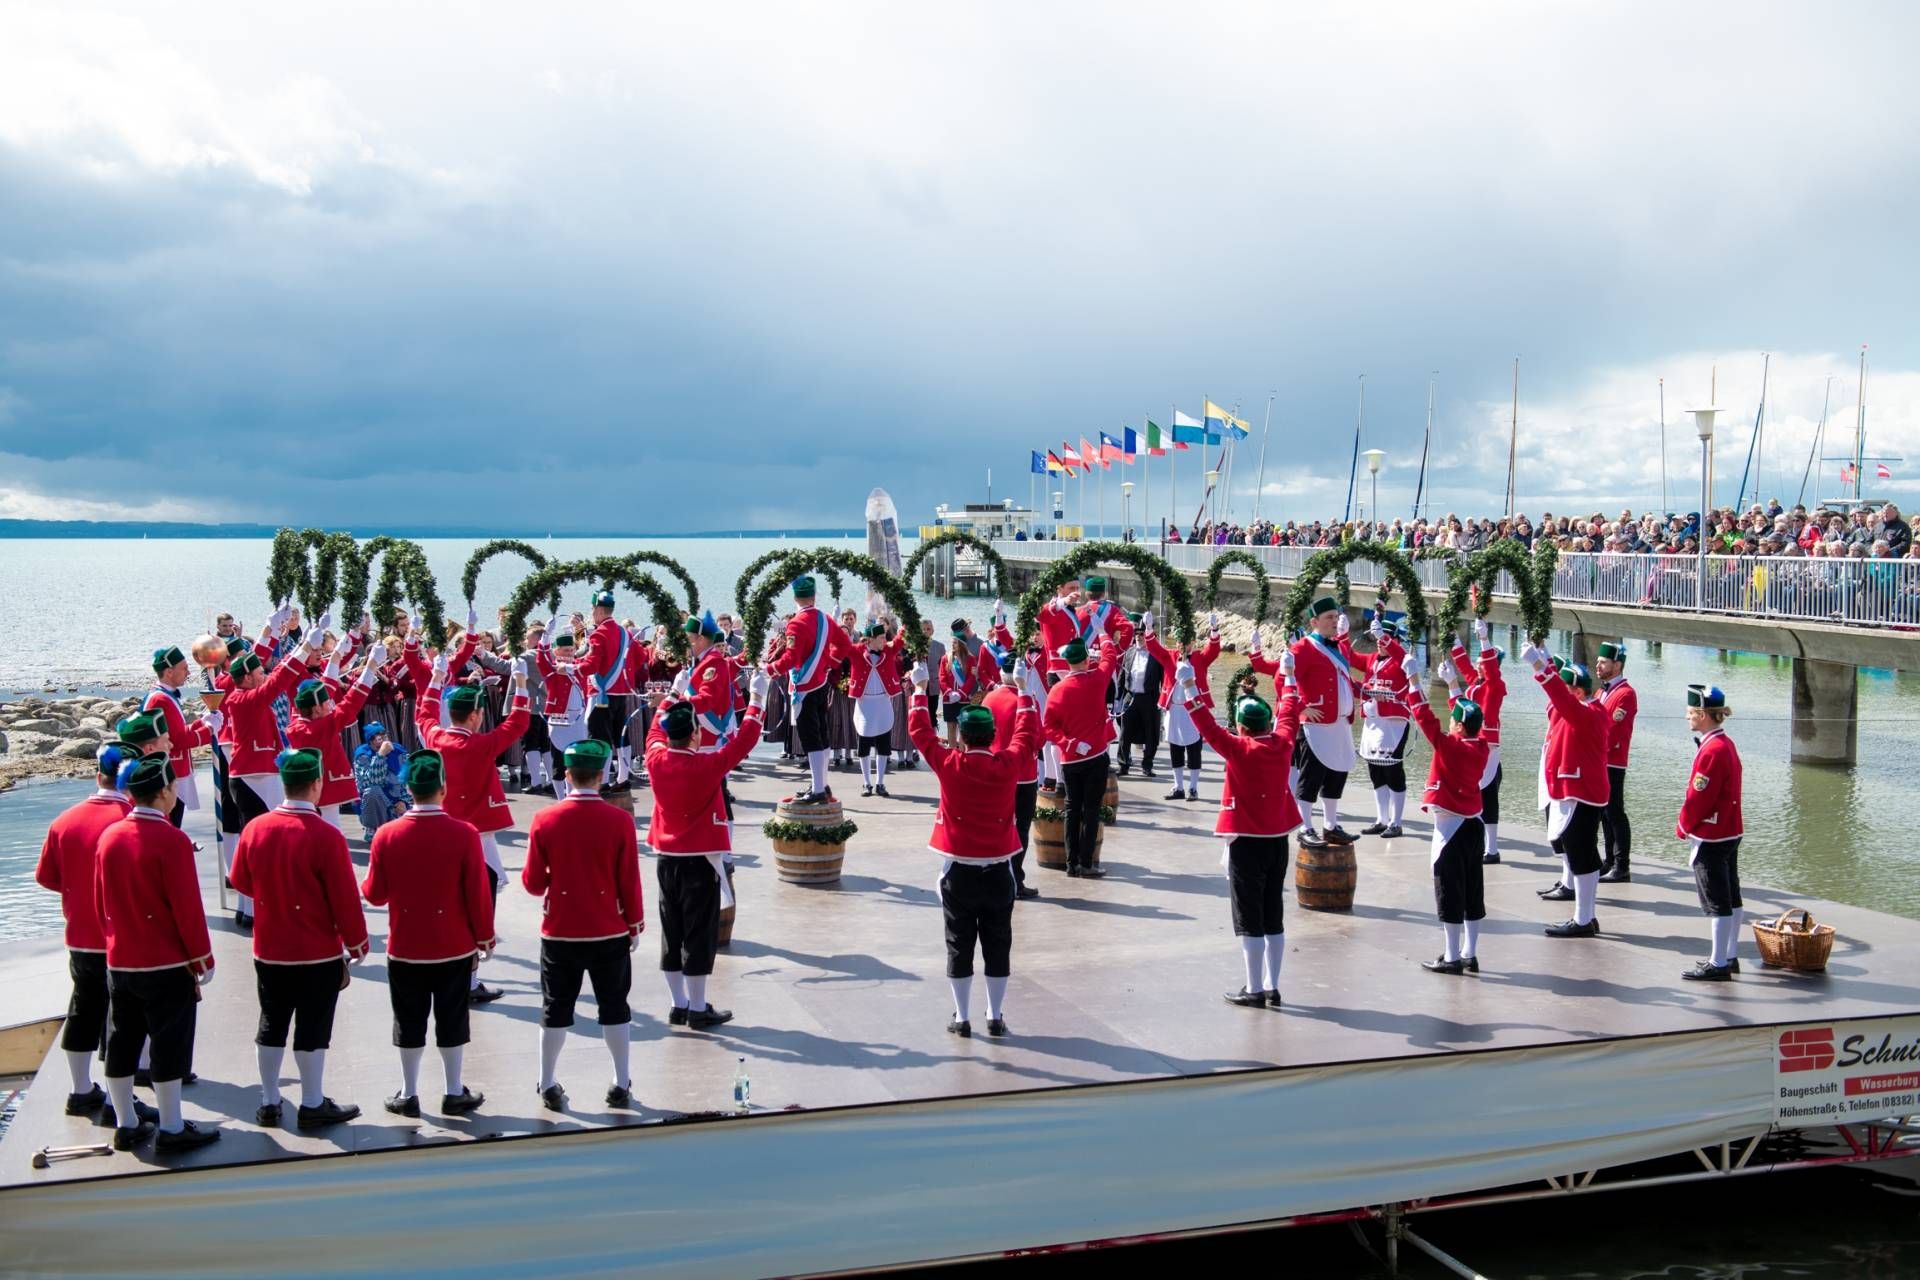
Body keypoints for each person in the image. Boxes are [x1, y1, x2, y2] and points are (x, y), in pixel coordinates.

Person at [227, 748, 370, 1129]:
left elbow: (240, 880)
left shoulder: (256, 829)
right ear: (317, 784)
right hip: (316, 950)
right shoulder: (327, 835)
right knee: (312, 1027)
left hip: (269, 947)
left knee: (271, 1022)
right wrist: (357, 942)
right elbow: (344, 898)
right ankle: (311, 1101)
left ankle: (269, 1100)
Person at [906, 658, 1039, 1037]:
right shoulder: (1007, 765)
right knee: (998, 944)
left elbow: (920, 733)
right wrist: (1024, 691)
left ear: (962, 737)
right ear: (993, 734)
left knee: (958, 944)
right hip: (999, 870)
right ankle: (994, 1015)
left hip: (958, 871)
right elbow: (1026, 734)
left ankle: (962, 1017)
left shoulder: (951, 764)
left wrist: (920, 691)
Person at [94, 755, 219, 1153]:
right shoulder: (172, 840)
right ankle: (171, 1126)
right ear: (163, 791)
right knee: (168, 1043)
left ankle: (126, 1123)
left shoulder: (109, 837)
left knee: (122, 1040)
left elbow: (100, 903)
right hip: (165, 962)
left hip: (120, 959)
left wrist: (113, 941)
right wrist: (203, 958)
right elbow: (187, 909)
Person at [361, 751, 494, 1117]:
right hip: (453, 945)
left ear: (409, 789)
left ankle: (409, 1092)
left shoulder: (387, 835)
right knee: (452, 1019)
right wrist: (484, 937)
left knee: (408, 1020)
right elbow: (478, 894)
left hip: (406, 946)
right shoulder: (464, 834)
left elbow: (375, 894)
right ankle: (453, 1090)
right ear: (443, 789)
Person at [523, 739, 646, 1112]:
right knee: (614, 1006)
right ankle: (620, 1082)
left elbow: (532, 883)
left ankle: (547, 1082)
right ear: (602, 774)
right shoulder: (620, 821)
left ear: (567, 775)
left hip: (560, 929)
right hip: (608, 928)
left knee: (555, 1007)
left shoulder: (544, 819)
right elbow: (629, 880)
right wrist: (634, 923)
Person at [644, 673, 768, 1030]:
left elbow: (654, 731)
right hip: (699, 859)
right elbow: (744, 741)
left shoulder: (655, 758)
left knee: (672, 930)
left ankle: (678, 1004)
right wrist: (757, 699)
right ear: (696, 735)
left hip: (666, 858)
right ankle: (697, 1008)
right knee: (699, 933)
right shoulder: (706, 765)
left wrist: (673, 693)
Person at [1179, 657, 1303, 1010]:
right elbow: (1290, 712)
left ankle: (1254, 988)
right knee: (1273, 914)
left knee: (1249, 918)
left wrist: (1189, 688)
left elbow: (1206, 726)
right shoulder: (1282, 743)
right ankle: (1272, 986)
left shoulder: (1238, 748)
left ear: (1242, 728)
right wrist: (1289, 677)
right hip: (1278, 840)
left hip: (1246, 843)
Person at [34, 743, 142, 1120]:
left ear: (98, 775)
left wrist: (77, 892)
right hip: (121, 937)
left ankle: (80, 1090)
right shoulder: (132, 821)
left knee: (82, 1009)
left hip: (80, 933)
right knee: (122, 1020)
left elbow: (46, 877)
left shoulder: (64, 820)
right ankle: (118, 1102)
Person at [416, 654, 531, 1002]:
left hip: (441, 830)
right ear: (476, 715)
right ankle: (468, 979)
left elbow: (423, 714)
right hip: (477, 835)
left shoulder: (436, 738)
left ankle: (447, 968)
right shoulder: (481, 745)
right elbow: (518, 723)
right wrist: (521, 684)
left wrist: (436, 678)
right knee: (478, 899)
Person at [1404, 652, 1491, 975]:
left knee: (1449, 893)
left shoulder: (1451, 747)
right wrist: (1453, 686)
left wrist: (1413, 681)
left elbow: (1425, 718)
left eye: (1453, 720)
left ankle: (1452, 957)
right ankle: (1470, 953)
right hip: (1474, 825)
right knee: (1472, 892)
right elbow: (1464, 716)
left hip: (1450, 828)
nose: (1450, 723)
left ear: (1458, 726)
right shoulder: (1481, 745)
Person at [1522, 647, 1610, 938]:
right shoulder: (1580, 709)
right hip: (1576, 790)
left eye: (1568, 688)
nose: (1562, 692)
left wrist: (1538, 666)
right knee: (1581, 854)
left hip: (1580, 792)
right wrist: (1545, 659)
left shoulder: (1587, 712)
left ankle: (1583, 919)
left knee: (1582, 856)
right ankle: (1587, 916)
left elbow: (1558, 694)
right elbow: (1558, 694)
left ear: (1578, 692)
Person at [1270, 597, 1359, 849]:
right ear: (1314, 622)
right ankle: (1305, 827)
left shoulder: (1340, 647)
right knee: (1310, 778)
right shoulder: (1303, 648)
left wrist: (1367, 691)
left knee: (1336, 775)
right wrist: (1301, 707)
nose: (1334, 621)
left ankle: (1330, 826)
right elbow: (1281, 680)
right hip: (1315, 726)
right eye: (1329, 617)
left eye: (1336, 616)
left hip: (1340, 725)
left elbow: (1344, 681)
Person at [763, 575, 856, 803]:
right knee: (821, 734)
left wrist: (770, 668)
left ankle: (818, 790)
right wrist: (829, 663)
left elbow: (791, 659)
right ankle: (821, 784)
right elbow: (844, 644)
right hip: (821, 682)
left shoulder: (796, 624)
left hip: (804, 686)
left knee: (810, 737)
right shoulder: (825, 619)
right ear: (814, 596)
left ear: (796, 598)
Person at [1678, 685, 1745, 980]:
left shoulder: (1712, 750)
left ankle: (1718, 963)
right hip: (1730, 830)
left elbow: (1699, 797)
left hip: (1712, 834)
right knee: (1731, 895)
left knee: (1716, 900)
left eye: (1691, 712)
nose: (1687, 716)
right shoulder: (1725, 744)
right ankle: (1729, 955)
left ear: (1703, 715)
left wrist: (1683, 825)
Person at [1040, 636, 1119, 879]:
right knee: (1091, 810)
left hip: (1070, 758)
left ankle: (1071, 863)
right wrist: (1103, 634)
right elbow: (1110, 656)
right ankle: (1086, 863)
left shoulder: (1056, 690)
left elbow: (1048, 727)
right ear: (1086, 660)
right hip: (1096, 755)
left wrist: (1069, 743)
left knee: (1072, 809)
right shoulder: (1097, 679)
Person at [285, 645, 383, 833]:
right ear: (316, 709)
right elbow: (351, 703)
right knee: (330, 833)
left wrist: (336, 655)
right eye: (326, 703)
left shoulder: (300, 722)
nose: (331, 705)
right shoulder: (318, 727)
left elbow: (327, 687)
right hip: (324, 791)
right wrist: (371, 666)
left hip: (309, 790)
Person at [982, 651, 1047, 900]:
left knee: (996, 826)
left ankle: (993, 877)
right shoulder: (1027, 701)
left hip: (995, 772)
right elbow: (1038, 739)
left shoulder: (989, 699)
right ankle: (1015, 880)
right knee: (1021, 829)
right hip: (1023, 775)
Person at [1142, 609, 1222, 800]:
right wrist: (1149, 628)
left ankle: (1193, 788)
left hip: (1194, 710)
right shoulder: (1169, 656)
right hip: (1174, 710)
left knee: (1194, 749)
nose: (1183, 645)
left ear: (1193, 642)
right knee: (1175, 748)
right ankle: (1178, 787)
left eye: (1187, 642)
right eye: (1179, 642)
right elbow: (1153, 648)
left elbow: (1214, 650)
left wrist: (1214, 629)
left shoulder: (1200, 658)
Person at [1446, 620, 1507, 865]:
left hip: (1488, 745)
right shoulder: (1476, 683)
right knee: (1474, 791)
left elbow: (1490, 667)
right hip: (1472, 742)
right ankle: (1477, 842)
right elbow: (1463, 663)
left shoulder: (1495, 685)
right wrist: (1453, 639)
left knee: (1488, 795)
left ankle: (1491, 849)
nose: (1478, 665)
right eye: (1479, 662)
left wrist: (1484, 638)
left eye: (1483, 662)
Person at [141, 644, 222, 826]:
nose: (188, 673)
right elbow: (178, 740)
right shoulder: (160, 699)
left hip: (174, 771)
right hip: (169, 773)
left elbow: (178, 731)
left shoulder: (165, 696)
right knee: (170, 824)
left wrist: (201, 723)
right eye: (184, 668)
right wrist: (209, 730)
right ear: (169, 672)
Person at [1348, 616, 1413, 838]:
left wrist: (1383, 637)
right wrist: (1341, 634)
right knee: (1375, 771)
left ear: (1395, 640)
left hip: (1394, 723)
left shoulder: (1403, 660)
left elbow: (1401, 655)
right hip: (1373, 721)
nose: (1379, 641)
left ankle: (1396, 822)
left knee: (1393, 771)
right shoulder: (1371, 659)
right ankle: (1381, 819)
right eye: (1378, 638)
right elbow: (1348, 656)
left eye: (1385, 638)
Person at [573, 590, 638, 791]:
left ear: (600, 611)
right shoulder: (625, 633)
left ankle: (602, 781)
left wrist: (571, 667)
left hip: (602, 693)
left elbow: (591, 665)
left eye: (593, 609)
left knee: (600, 736)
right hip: (622, 692)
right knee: (621, 735)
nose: (592, 613)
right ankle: (623, 778)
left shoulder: (599, 634)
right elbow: (640, 657)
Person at [1594, 641, 1637, 883]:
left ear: (1617, 665)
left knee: (1615, 812)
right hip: (1598, 760)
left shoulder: (1626, 693)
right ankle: (1609, 860)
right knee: (1603, 813)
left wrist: (1592, 748)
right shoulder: (1601, 692)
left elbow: (1614, 730)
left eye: (1603, 662)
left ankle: (1622, 865)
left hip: (1613, 762)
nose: (1598, 665)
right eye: (1598, 661)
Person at [849, 619, 907, 797]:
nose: (885, 640)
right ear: (870, 639)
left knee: (883, 745)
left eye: (884, 637)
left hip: (883, 702)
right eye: (881, 637)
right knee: (864, 745)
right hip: (864, 703)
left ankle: (880, 782)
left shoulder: (888, 650)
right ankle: (866, 783)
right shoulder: (857, 651)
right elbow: (840, 644)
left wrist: (906, 621)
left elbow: (900, 639)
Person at [1115, 619, 1163, 779]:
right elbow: (1122, 676)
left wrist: (1164, 701)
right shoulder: (1129, 652)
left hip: (1149, 698)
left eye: (1142, 634)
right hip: (1130, 697)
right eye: (1136, 633)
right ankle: (1123, 765)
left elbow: (1164, 680)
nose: (1138, 636)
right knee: (1125, 733)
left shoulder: (1157, 654)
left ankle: (1147, 766)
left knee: (1151, 734)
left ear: (1149, 636)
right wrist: (1118, 699)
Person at [936, 620, 986, 747]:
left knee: (963, 729)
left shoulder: (970, 659)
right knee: (951, 727)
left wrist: (961, 693)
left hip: (965, 699)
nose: (952, 645)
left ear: (962, 644)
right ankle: (953, 753)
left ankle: (963, 754)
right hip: (949, 699)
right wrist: (949, 692)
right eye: (952, 642)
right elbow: (941, 677)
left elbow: (971, 678)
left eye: (955, 642)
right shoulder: (945, 658)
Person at [1075, 576, 1137, 652]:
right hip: (1104, 655)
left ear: (1086, 594)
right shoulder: (1112, 610)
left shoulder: (1076, 611)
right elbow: (1128, 627)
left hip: (1080, 656)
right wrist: (1118, 650)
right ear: (1103, 594)